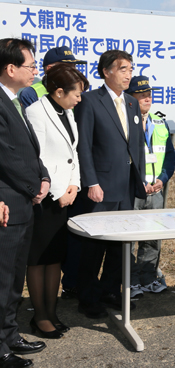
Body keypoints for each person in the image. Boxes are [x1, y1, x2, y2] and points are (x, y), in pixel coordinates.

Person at [75, 50, 146, 319]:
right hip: (100, 187)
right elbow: (84, 145)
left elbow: (136, 144)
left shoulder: (131, 103)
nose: (129, 74)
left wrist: (141, 179)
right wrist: (91, 181)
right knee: (94, 246)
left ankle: (110, 290)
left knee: (120, 244)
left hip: (126, 187)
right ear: (107, 72)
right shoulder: (90, 101)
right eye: (123, 69)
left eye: (131, 68)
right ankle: (88, 297)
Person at [25, 63, 88, 338]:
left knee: (55, 259)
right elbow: (36, 159)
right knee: (38, 259)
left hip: (66, 195)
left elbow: (71, 153)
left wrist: (74, 185)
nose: (80, 99)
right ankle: (39, 317)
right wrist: (58, 191)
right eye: (76, 93)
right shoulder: (36, 112)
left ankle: (52, 312)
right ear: (59, 91)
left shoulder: (67, 111)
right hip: (45, 199)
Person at [0, 38, 50, 367]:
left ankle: (9, 334)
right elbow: (6, 157)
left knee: (14, 279)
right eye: (31, 65)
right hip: (7, 205)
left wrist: (44, 177)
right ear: (10, 68)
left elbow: (29, 151)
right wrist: (35, 186)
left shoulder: (17, 101)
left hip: (23, 205)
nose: (36, 71)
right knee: (2, 280)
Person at [125, 76, 175, 298]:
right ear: (130, 97)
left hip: (156, 190)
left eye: (149, 93)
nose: (147, 98)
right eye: (142, 94)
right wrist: (140, 183)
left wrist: (162, 179)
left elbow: (169, 156)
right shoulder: (124, 120)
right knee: (128, 238)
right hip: (132, 190)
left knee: (152, 237)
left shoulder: (159, 121)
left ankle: (148, 278)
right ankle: (130, 281)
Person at [19, 46, 86, 109]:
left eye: (74, 68)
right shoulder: (31, 93)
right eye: (68, 68)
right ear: (50, 69)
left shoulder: (75, 92)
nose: (73, 72)